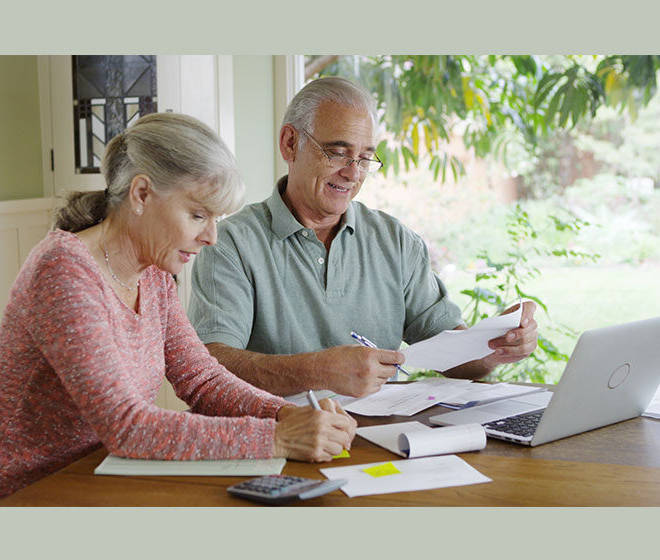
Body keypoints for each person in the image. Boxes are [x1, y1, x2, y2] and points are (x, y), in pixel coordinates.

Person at [0, 113, 356, 507]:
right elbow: (127, 426)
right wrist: (278, 438)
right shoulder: (63, 272)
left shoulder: (153, 273)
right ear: (141, 194)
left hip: (98, 483)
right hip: (18, 498)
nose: (212, 236)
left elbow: (201, 378)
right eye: (198, 214)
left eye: (215, 218)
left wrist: (287, 412)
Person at [187, 77, 539, 399]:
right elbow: (211, 365)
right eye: (338, 152)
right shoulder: (229, 243)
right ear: (290, 143)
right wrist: (317, 371)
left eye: (365, 158)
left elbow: (455, 357)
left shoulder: (395, 241)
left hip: (388, 439)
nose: (353, 173)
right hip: (283, 439)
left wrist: (494, 346)